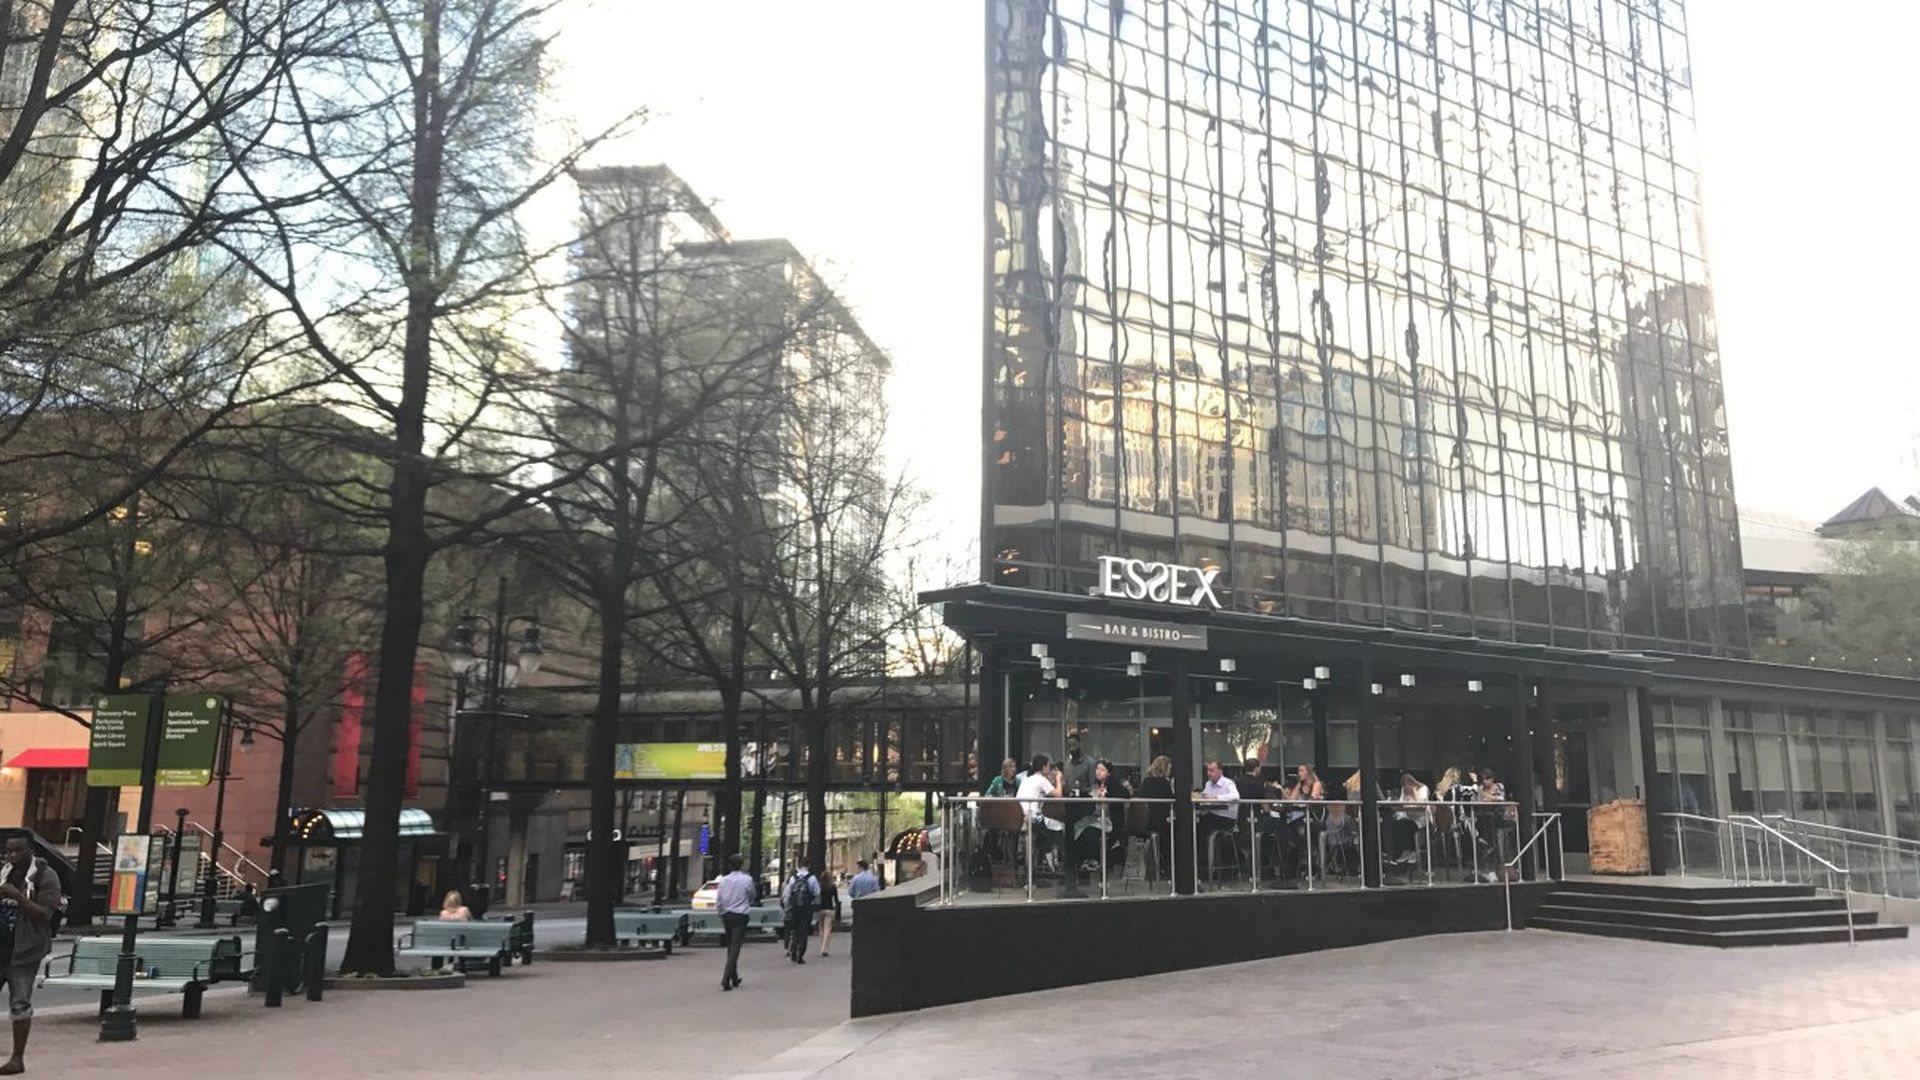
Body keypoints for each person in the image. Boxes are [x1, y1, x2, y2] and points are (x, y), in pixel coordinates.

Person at [0, 836, 61, 1076]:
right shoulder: (4, 872)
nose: (12, 856)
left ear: (30, 851)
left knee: (20, 1003)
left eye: (17, 851)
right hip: (1, 946)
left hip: (24, 950)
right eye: (8, 851)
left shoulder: (46, 876)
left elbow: (44, 915)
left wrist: (18, 896)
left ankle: (17, 1059)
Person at [1015, 754, 1065, 870]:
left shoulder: (1026, 779)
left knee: (1048, 829)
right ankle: (1051, 859)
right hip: (1032, 816)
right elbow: (1058, 794)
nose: (1050, 769)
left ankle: (1046, 857)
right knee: (1059, 827)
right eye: (1048, 766)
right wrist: (1058, 778)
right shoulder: (1041, 779)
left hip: (1019, 815)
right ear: (1043, 768)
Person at [716, 855, 755, 990]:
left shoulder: (723, 881)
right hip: (740, 915)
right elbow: (752, 896)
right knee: (735, 947)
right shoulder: (747, 880)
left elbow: (719, 899)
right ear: (741, 865)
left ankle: (734, 977)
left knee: (730, 946)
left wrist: (720, 912)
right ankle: (726, 977)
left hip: (727, 915)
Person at [1197, 760, 1241, 877]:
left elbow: (1235, 796)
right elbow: (1205, 800)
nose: (1209, 773)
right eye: (1208, 770)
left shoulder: (1228, 783)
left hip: (1226, 818)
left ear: (1220, 771)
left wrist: (1216, 797)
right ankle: (1203, 865)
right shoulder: (1208, 784)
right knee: (1196, 825)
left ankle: (1207, 868)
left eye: (1212, 770)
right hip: (1212, 815)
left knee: (1200, 827)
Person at [1138, 756, 1176, 881]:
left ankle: (1160, 865)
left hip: (1145, 821)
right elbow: (1172, 801)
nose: (1170, 771)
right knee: (1178, 832)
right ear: (1164, 768)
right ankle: (1171, 866)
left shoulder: (1146, 781)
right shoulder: (1164, 783)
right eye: (1169, 768)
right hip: (1159, 823)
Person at [779, 862, 820, 963]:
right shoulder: (812, 878)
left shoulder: (793, 878)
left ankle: (792, 951)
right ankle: (800, 954)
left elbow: (787, 894)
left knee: (795, 930)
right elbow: (817, 892)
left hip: (794, 908)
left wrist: (786, 907)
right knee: (804, 931)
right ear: (808, 866)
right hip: (806, 908)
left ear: (799, 866)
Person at [814, 870, 840, 957]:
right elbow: (836, 900)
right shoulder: (832, 887)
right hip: (829, 908)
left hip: (820, 909)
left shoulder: (819, 886)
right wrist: (836, 909)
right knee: (827, 929)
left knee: (821, 928)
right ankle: (824, 948)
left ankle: (822, 945)